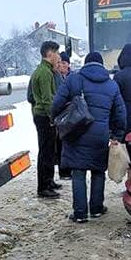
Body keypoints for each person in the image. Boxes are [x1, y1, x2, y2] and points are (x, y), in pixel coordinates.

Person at [51, 52, 126, 223]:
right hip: (100, 135)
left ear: (86, 64)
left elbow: (56, 103)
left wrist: (56, 118)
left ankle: (80, 213)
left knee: (78, 172)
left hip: (76, 132)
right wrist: (117, 135)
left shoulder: (74, 80)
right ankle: (97, 208)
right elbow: (120, 114)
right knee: (98, 171)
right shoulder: (111, 85)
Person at [30, 41, 62, 199]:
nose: (59, 56)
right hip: (44, 117)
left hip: (44, 116)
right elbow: (47, 100)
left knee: (50, 151)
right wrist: (53, 117)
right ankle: (43, 187)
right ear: (49, 53)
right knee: (45, 152)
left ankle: (49, 181)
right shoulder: (44, 73)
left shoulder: (47, 70)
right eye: (57, 53)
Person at [54, 52, 72, 180]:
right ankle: (63, 170)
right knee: (60, 143)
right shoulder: (55, 77)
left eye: (64, 63)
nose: (62, 66)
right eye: (59, 63)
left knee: (70, 142)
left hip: (71, 115)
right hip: (59, 115)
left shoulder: (74, 77)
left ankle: (69, 168)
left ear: (68, 64)